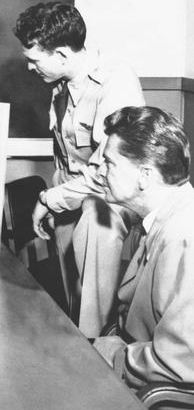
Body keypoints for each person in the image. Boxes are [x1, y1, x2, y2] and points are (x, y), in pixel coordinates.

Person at [13, 2, 144, 337]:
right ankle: (78, 337)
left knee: (96, 222)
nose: (30, 68)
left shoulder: (116, 81)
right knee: (75, 291)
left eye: (33, 59)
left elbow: (107, 171)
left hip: (110, 194)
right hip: (73, 192)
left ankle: (95, 347)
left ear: (59, 54)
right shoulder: (59, 85)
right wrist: (56, 202)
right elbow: (66, 159)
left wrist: (50, 198)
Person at [93, 106, 194, 389]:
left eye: (109, 163)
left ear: (145, 176)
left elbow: (181, 361)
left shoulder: (183, 238)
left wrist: (116, 355)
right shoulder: (164, 216)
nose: (100, 172)